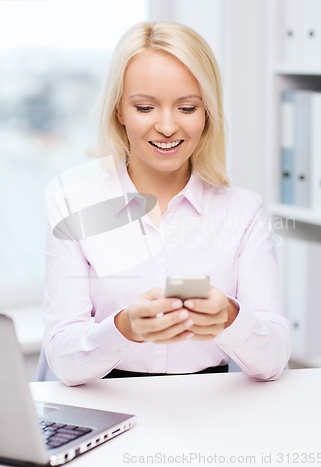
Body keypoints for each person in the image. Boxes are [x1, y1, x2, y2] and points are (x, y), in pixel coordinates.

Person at [43, 21, 290, 386]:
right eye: (145, 107)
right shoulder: (72, 204)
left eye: (187, 108)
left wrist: (230, 318)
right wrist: (123, 328)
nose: (168, 126)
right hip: (108, 405)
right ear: (119, 112)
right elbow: (63, 361)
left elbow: (272, 362)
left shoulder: (243, 211)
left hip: (212, 411)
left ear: (207, 114)